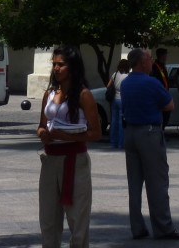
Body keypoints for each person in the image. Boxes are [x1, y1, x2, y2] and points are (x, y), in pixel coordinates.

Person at [36, 45, 103, 248]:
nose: (56, 69)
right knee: (48, 218)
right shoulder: (49, 94)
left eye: (61, 65)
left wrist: (65, 135)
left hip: (75, 161)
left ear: (72, 67)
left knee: (78, 219)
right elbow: (40, 126)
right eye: (54, 64)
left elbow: (96, 133)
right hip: (50, 160)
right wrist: (43, 135)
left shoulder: (84, 95)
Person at [121, 48, 179, 240]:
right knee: (157, 182)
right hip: (149, 132)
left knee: (134, 183)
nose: (152, 62)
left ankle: (137, 227)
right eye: (149, 59)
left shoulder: (125, 83)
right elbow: (169, 104)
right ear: (142, 62)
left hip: (130, 132)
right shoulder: (151, 82)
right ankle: (163, 227)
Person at [107, 58, 130, 150]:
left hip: (114, 100)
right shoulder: (127, 76)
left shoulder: (115, 74)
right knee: (121, 123)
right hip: (122, 100)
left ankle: (113, 143)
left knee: (114, 121)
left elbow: (108, 86)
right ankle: (121, 144)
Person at [150, 47, 172, 130]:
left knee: (166, 114)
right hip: (159, 95)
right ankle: (159, 131)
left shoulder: (162, 66)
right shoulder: (155, 66)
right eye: (165, 55)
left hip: (164, 93)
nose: (167, 57)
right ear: (162, 56)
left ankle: (161, 131)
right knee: (162, 114)